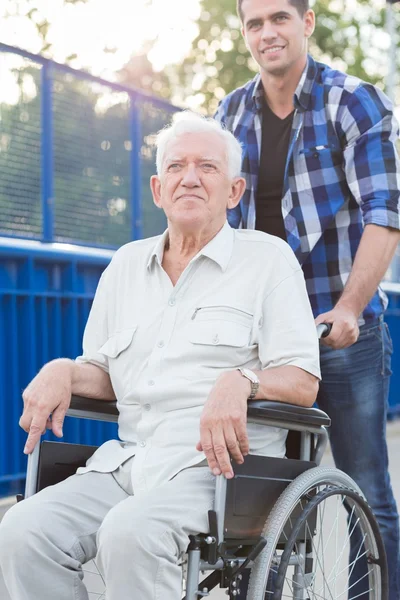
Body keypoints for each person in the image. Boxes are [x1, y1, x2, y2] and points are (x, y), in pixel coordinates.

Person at [0, 113, 320, 600]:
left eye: (207, 167)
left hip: (222, 472)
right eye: (176, 166)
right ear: (157, 187)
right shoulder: (126, 264)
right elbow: (106, 373)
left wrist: (242, 380)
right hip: (130, 464)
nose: (189, 178)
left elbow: (303, 380)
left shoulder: (268, 260)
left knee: (129, 534)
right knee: (23, 530)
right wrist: (62, 370)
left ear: (234, 191)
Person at [214, 0, 400, 597]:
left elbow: (386, 211)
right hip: (262, 339)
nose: (267, 33)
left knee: (365, 486)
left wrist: (349, 308)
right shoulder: (231, 112)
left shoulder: (352, 101)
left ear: (307, 21)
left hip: (338, 327)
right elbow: (220, 226)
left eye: (279, 18)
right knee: (261, 489)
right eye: (254, 23)